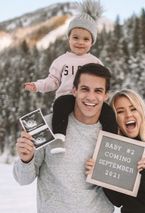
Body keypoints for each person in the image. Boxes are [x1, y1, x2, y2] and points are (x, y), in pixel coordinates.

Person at [13, 63, 118, 213]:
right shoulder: (46, 125)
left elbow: (121, 186)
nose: (90, 97)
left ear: (105, 95)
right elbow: (22, 178)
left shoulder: (112, 135)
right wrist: (26, 158)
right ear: (73, 91)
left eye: (98, 91)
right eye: (85, 89)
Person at [23, 0, 113, 153]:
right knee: (60, 104)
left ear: (92, 42)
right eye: (76, 37)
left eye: (86, 39)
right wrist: (38, 85)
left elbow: (102, 83)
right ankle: (59, 138)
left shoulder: (95, 61)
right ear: (69, 38)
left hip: (88, 100)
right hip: (67, 97)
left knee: (108, 112)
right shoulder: (61, 61)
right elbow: (53, 81)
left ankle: (112, 142)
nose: (80, 42)